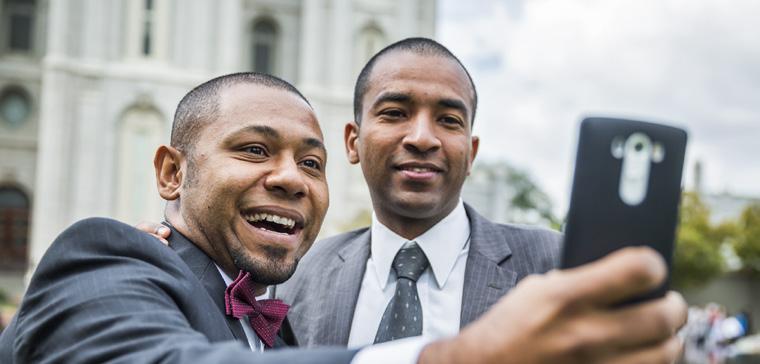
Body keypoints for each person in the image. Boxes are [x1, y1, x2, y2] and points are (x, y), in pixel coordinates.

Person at [4, 71, 686, 363]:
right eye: (254, 150)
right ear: (171, 173)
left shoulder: (276, 322)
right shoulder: (104, 258)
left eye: (312, 162)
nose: (291, 180)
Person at [275, 37, 562, 347]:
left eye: (449, 120)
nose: (422, 139)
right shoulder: (298, 276)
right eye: (395, 113)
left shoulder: (552, 265)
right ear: (352, 142)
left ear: (471, 154)